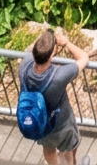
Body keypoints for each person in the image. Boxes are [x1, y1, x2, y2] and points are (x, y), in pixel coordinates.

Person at [16, 27, 91, 165]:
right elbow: (84, 57)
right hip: (61, 124)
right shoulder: (59, 76)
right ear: (52, 54)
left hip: (40, 122)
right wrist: (66, 43)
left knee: (48, 149)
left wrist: (44, 40)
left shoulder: (24, 66)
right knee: (69, 149)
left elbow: (34, 53)